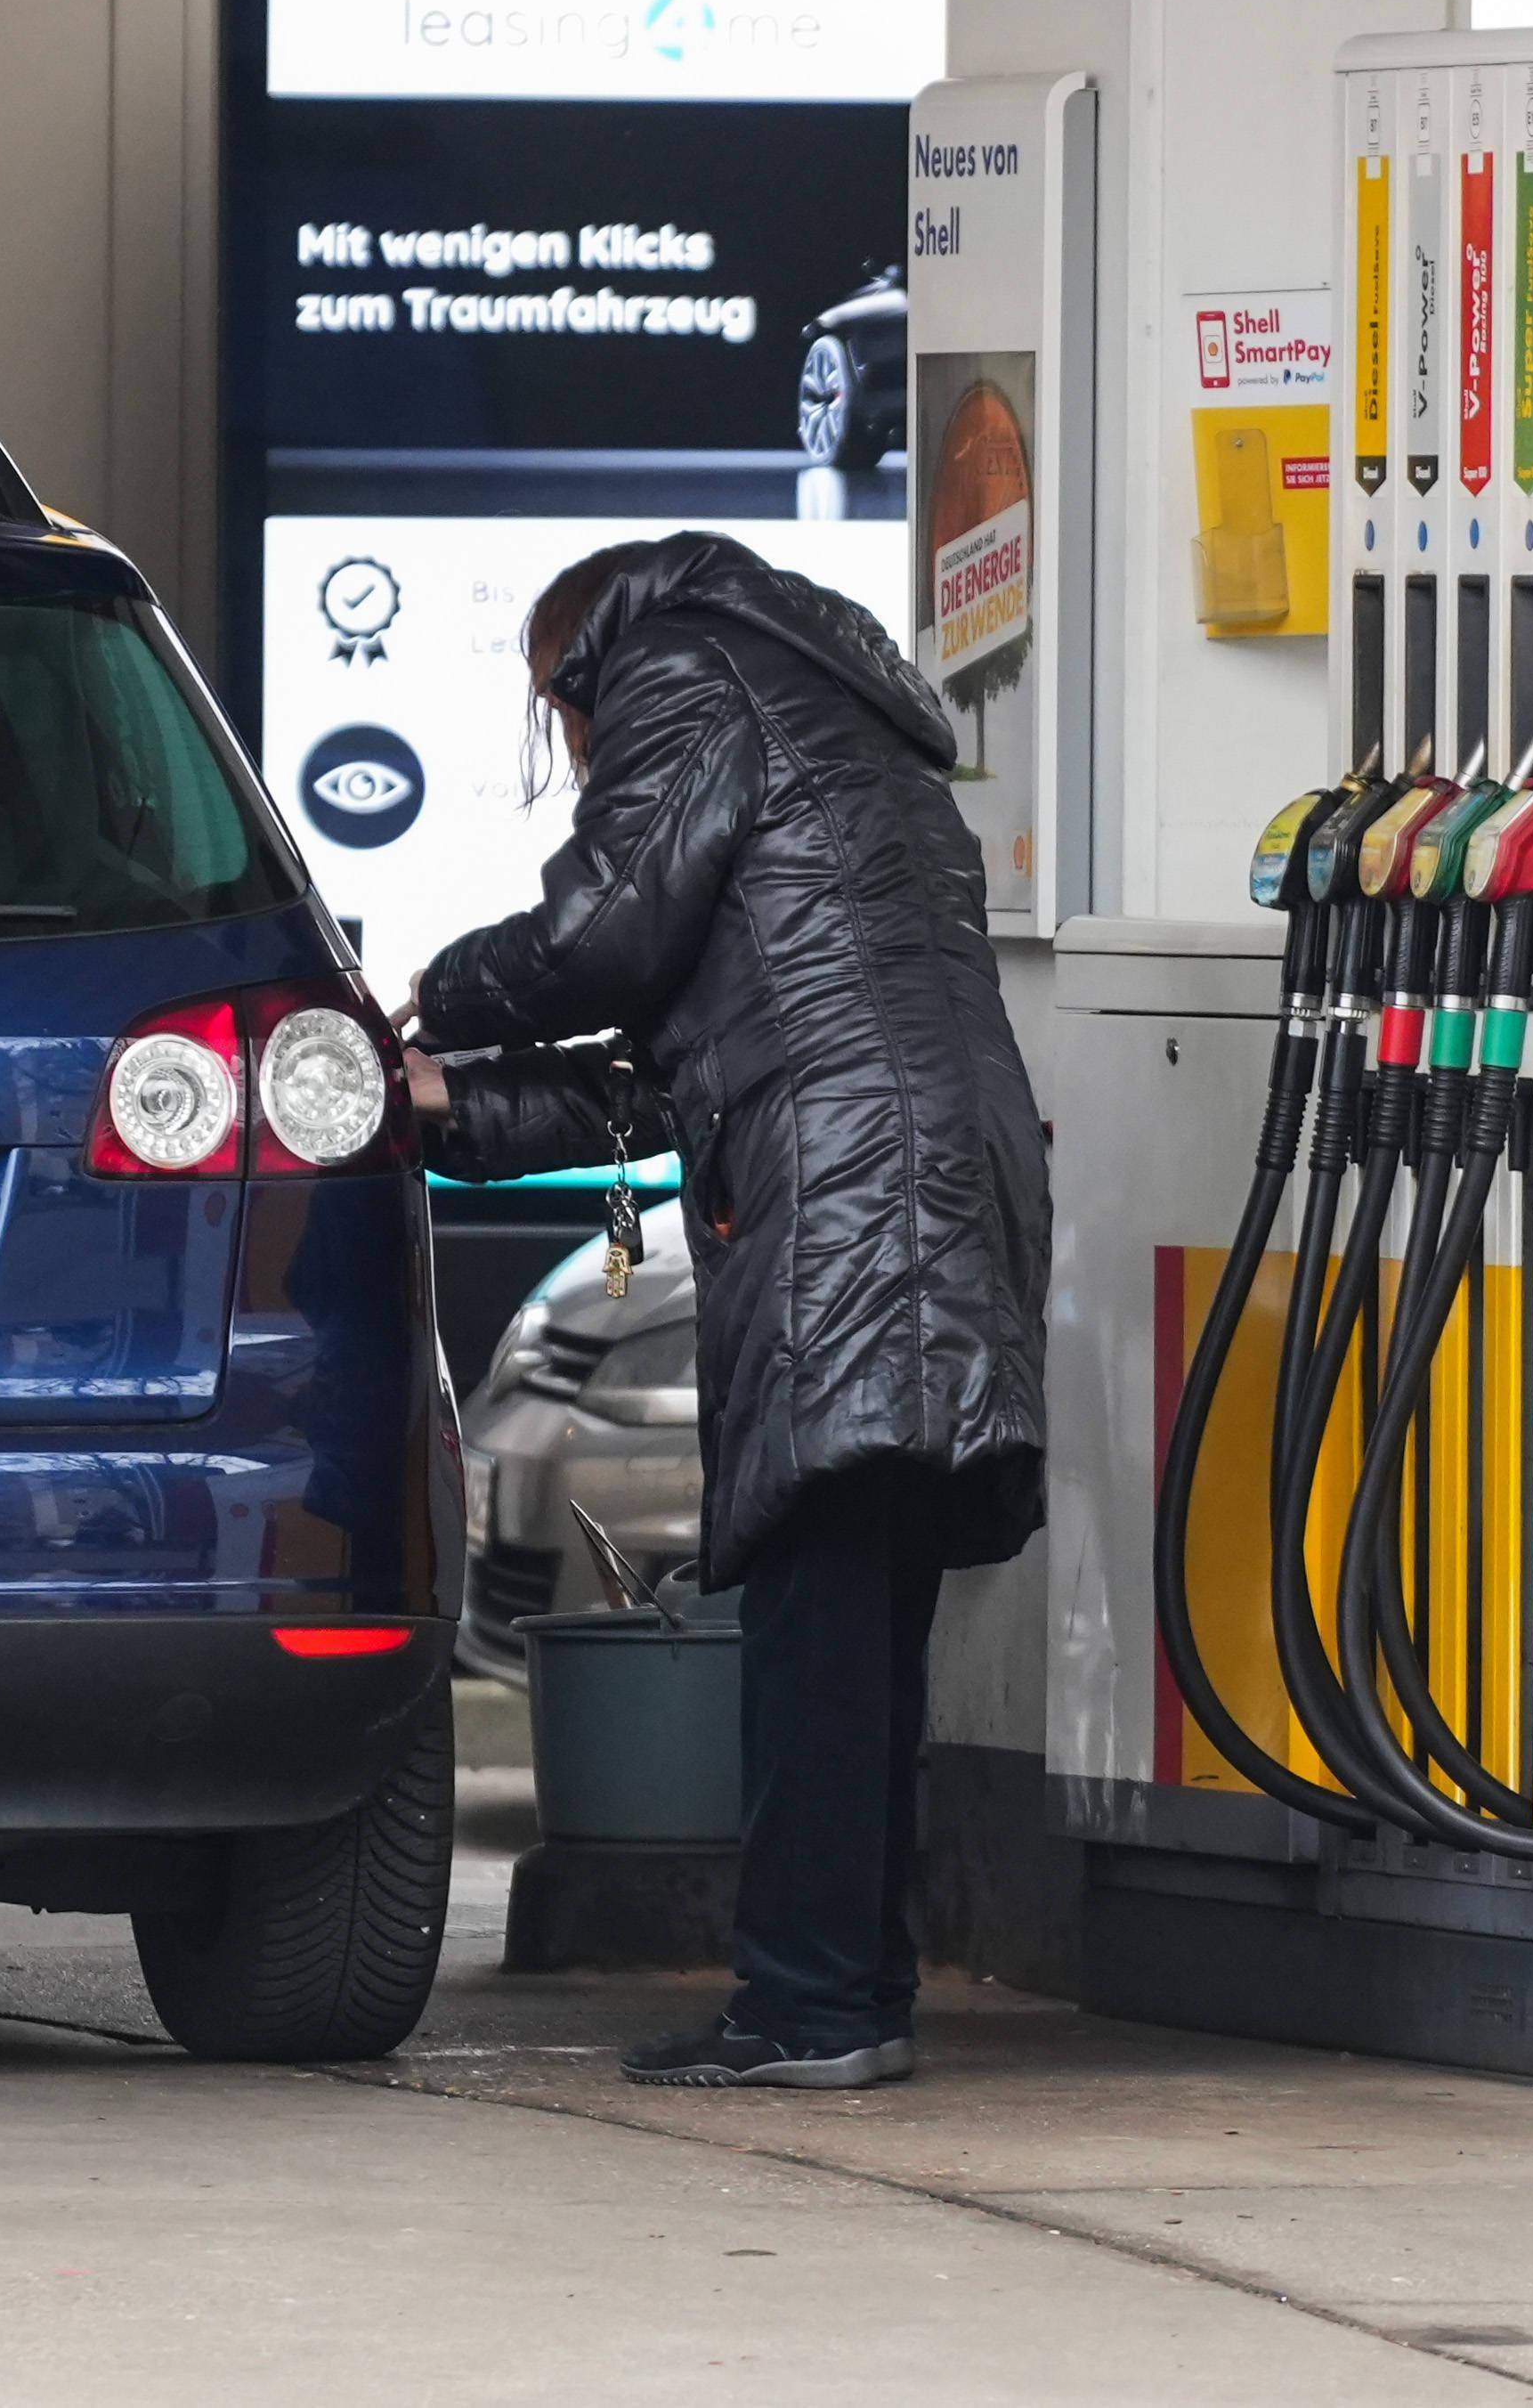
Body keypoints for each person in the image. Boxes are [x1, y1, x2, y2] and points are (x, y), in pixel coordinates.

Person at [399, 532, 1050, 2090]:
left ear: (575, 666)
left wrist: (435, 991)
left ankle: (808, 2005)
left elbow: (609, 931)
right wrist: (448, 1108)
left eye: (556, 721)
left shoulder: (683, 669)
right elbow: (677, 1051)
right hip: (937, 1159)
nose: (569, 757)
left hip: (849, 1184)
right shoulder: (831, 711)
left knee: (816, 1612)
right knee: (863, 1614)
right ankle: (854, 1990)